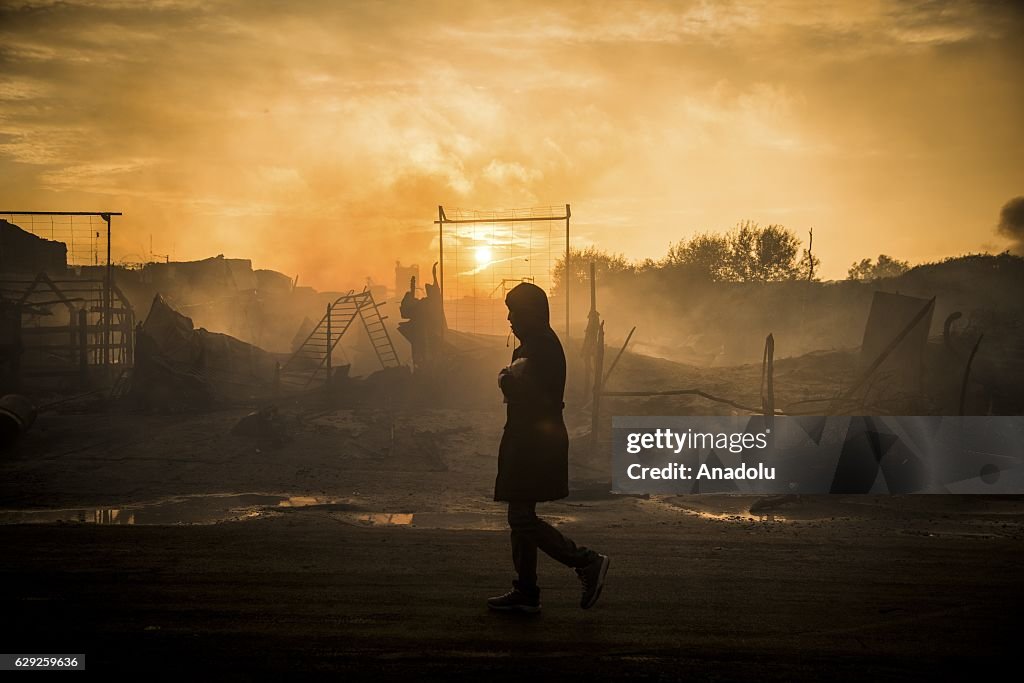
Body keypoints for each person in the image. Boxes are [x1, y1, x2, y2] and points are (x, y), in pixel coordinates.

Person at [487, 282, 609, 613]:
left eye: (514, 312)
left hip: (533, 442)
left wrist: (503, 379)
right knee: (521, 514)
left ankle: (585, 561)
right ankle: (526, 591)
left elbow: (518, 389)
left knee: (522, 517)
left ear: (529, 313)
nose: (509, 319)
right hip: (532, 438)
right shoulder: (540, 344)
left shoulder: (538, 347)